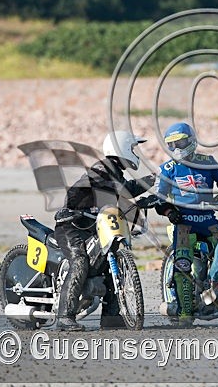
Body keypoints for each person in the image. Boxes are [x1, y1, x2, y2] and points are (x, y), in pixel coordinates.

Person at [53, 131, 153, 331]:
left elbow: (122, 191)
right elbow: (117, 189)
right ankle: (64, 316)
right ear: (122, 148)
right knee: (80, 260)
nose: (135, 153)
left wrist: (152, 188)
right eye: (133, 148)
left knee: (110, 258)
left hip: (94, 226)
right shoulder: (101, 169)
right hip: (72, 225)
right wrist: (71, 209)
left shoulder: (115, 173)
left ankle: (111, 317)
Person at [154, 122, 218, 326]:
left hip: (208, 220)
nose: (177, 148)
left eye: (180, 142)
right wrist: (169, 211)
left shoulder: (208, 162)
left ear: (191, 140)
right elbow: (158, 198)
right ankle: (185, 313)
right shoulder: (167, 168)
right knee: (182, 264)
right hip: (183, 223)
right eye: (172, 144)